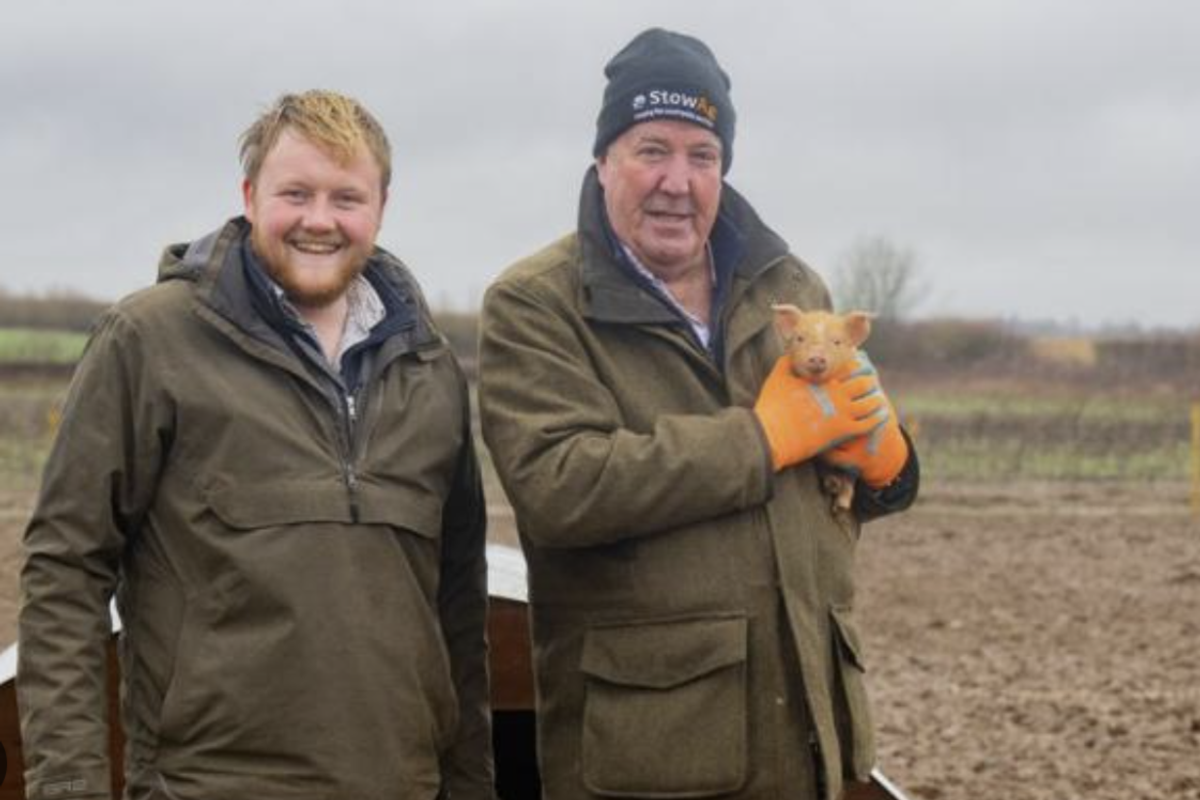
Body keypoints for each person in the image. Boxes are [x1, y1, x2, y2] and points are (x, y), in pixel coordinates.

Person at [478, 28, 918, 800]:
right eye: (652, 149)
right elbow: (561, 488)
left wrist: (890, 468)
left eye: (701, 155)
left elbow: (836, 467)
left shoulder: (788, 283)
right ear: (604, 161)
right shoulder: (537, 304)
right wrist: (762, 437)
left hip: (810, 741)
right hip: (651, 760)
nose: (677, 181)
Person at [18, 90, 494, 800]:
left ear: (383, 206)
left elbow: (457, 600)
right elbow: (65, 572)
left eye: (346, 197)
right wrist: (68, 787)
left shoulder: (428, 368)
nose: (319, 220)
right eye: (295, 193)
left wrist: (469, 786)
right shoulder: (149, 342)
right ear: (248, 195)